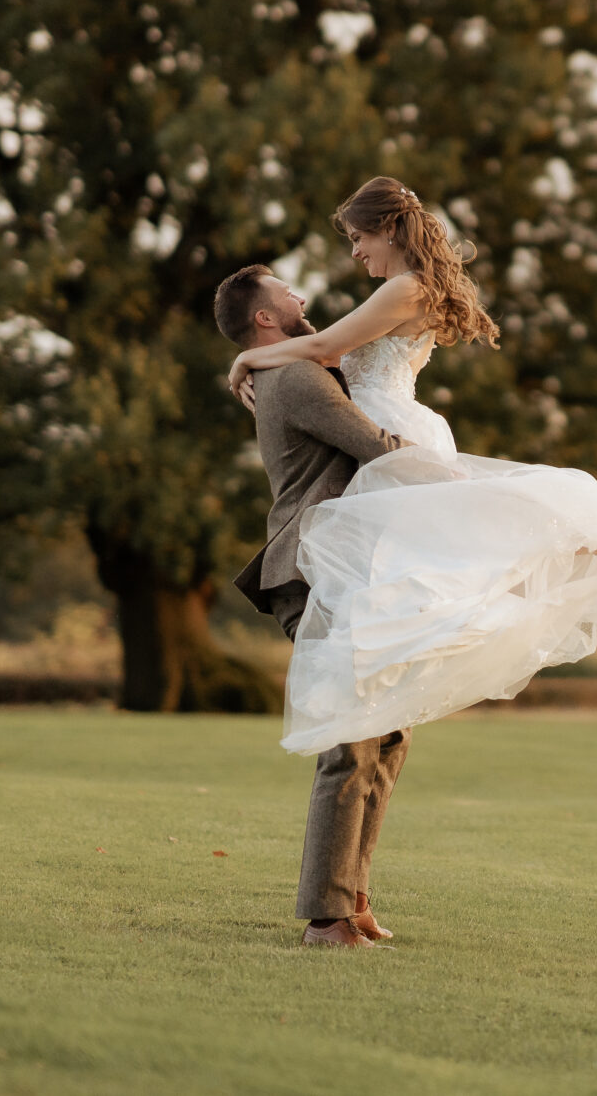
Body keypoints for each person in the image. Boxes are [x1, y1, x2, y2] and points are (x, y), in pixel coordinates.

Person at [224, 178, 597, 757]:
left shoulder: (406, 287)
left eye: (360, 238)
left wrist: (246, 358)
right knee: (397, 578)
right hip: (387, 424)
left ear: (389, 228)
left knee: (412, 576)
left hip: (391, 429)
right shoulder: (410, 286)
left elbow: (325, 349)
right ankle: (376, 709)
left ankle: (373, 706)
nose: (356, 252)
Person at [214, 263, 409, 951]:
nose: (299, 295)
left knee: (388, 733)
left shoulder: (293, 365)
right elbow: (376, 448)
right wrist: (453, 474)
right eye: (284, 290)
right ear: (264, 317)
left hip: (350, 565)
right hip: (318, 570)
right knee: (351, 737)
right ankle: (325, 919)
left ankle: (351, 896)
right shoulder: (295, 378)